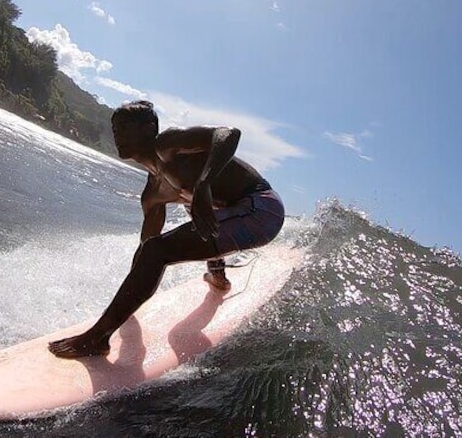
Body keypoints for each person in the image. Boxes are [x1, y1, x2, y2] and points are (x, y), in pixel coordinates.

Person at [48, 100, 285, 358]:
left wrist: (205, 182)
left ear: (150, 128)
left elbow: (229, 133)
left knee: (175, 230)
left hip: (261, 209)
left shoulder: (168, 145)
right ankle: (219, 279)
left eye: (125, 126)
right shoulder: (154, 193)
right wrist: (128, 296)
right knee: (166, 236)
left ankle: (98, 338)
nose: (117, 133)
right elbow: (146, 247)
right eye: (115, 127)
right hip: (227, 212)